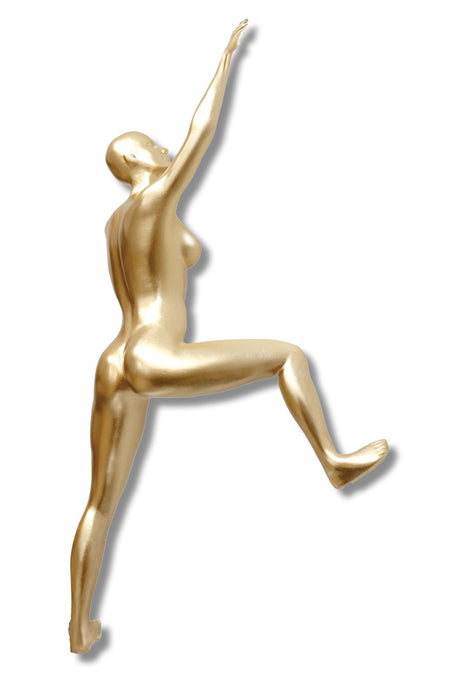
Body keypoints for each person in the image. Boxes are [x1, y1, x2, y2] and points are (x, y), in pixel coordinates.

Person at [69, 20, 388, 654]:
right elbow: (201, 134)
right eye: (149, 144)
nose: (162, 146)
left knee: (99, 503)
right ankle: (332, 462)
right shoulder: (155, 199)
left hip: (114, 358)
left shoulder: (114, 223)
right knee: (287, 356)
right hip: (153, 352)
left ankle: (78, 627)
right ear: (133, 162)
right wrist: (225, 59)